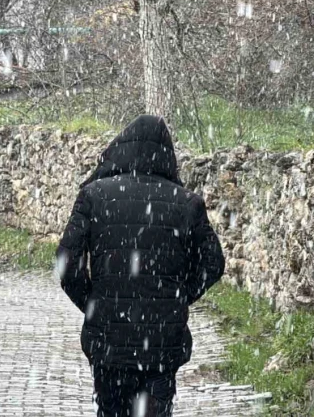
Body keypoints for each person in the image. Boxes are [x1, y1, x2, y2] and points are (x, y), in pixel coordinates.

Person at [57, 115, 225, 417]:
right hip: (161, 343)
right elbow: (212, 263)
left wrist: (94, 303)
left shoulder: (95, 195)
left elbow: (67, 264)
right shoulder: (186, 203)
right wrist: (177, 297)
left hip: (109, 341)